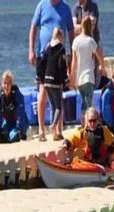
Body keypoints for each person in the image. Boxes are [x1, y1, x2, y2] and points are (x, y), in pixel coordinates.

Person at [29, 0, 74, 142]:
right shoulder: (42, 5)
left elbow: (71, 32)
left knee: (58, 94)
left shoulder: (65, 8)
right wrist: (31, 50)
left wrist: (72, 54)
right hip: (44, 56)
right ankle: (42, 130)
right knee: (42, 93)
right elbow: (33, 28)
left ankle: (57, 131)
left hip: (59, 56)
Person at [71, 16, 106, 127]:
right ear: (89, 27)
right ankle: (88, 126)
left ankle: (84, 125)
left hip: (80, 78)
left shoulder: (76, 41)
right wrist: (103, 67)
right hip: (89, 76)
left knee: (83, 102)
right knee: (89, 103)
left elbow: (74, 61)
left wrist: (72, 77)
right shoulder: (90, 41)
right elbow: (99, 55)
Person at [41, 28, 69, 141]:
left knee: (52, 106)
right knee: (58, 107)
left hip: (46, 81)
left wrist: (40, 76)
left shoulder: (47, 48)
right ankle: (53, 125)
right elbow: (61, 66)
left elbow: (42, 63)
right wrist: (65, 79)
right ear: (60, 37)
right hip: (55, 81)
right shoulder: (61, 49)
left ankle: (54, 134)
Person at [72, 0, 104, 87]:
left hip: (93, 44)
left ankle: (93, 90)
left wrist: (81, 26)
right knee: (80, 69)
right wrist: (86, 25)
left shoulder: (93, 6)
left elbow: (92, 24)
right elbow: (74, 27)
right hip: (81, 46)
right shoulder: (76, 8)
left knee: (94, 70)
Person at [0, 70, 28, 144]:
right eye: (4, 83)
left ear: (11, 84)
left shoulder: (17, 94)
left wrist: (19, 129)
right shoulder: (0, 96)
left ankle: (22, 135)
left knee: (13, 138)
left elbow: (21, 114)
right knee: (1, 136)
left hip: (21, 123)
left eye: (8, 83)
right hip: (9, 123)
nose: (6, 86)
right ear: (1, 84)